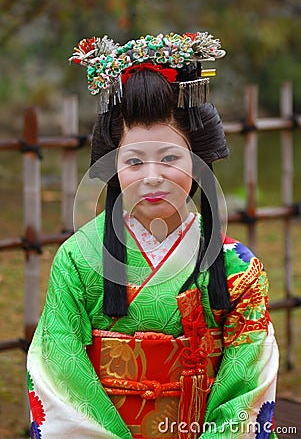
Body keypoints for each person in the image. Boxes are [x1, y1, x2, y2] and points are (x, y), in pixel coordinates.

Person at [27, 32, 279, 438]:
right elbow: (58, 373)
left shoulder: (236, 268)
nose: (152, 177)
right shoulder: (78, 259)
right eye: (134, 160)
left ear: (197, 160)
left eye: (170, 158)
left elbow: (247, 389)